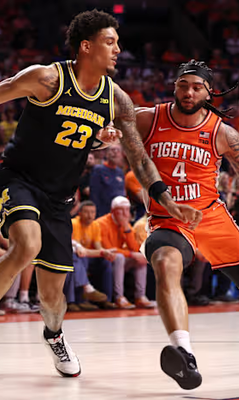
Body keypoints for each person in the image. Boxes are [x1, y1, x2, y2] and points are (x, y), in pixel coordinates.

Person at [0, 10, 200, 376]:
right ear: (86, 46)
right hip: (18, 178)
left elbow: (138, 156)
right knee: (26, 245)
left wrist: (165, 199)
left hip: (59, 198)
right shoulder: (47, 78)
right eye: (110, 42)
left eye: (118, 42)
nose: (118, 49)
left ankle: (54, 336)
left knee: (53, 300)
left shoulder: (116, 100)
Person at [135, 59, 239, 389]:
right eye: (183, 85)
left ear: (209, 92)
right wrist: (103, 136)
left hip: (211, 217)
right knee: (165, 263)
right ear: (174, 87)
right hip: (169, 220)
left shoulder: (222, 133)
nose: (189, 92)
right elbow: (101, 134)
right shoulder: (148, 119)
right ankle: (184, 355)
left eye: (196, 87)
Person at [96, 196, 155, 309]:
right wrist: (131, 254)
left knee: (141, 259)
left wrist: (126, 229)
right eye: (121, 210)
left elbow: (134, 248)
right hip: (102, 258)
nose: (124, 213)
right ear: (113, 211)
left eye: (127, 209)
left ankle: (140, 297)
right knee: (120, 258)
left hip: (119, 259)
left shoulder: (126, 225)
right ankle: (119, 297)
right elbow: (109, 249)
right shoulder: (101, 223)